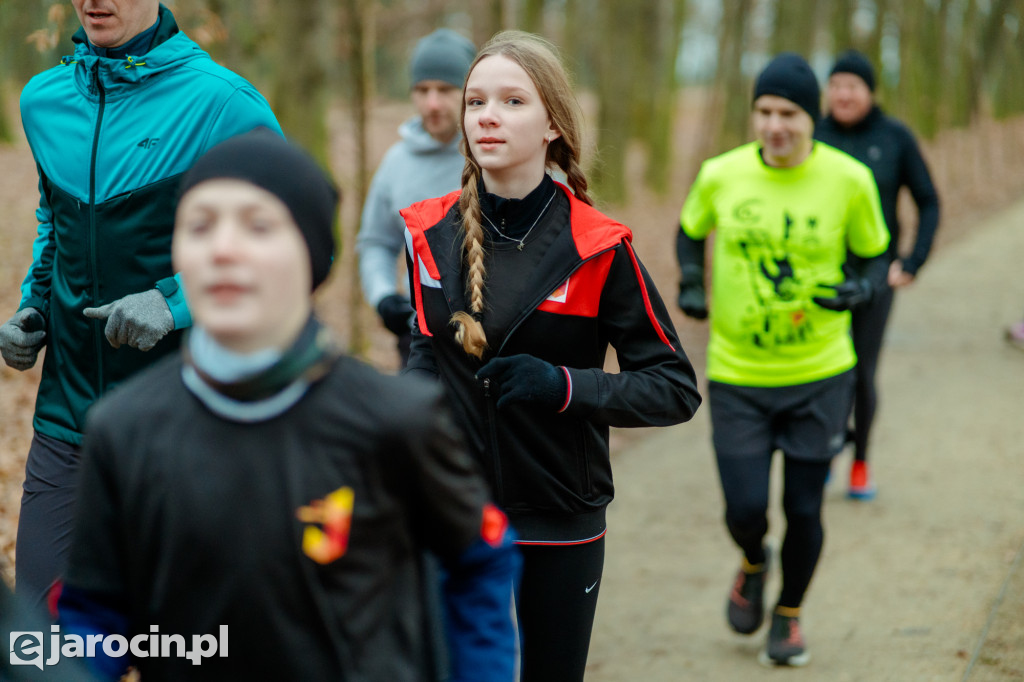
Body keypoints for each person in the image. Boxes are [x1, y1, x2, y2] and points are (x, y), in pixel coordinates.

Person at [57, 130, 520, 682]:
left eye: (258, 225)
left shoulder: (398, 418)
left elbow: (479, 561)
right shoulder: (122, 430)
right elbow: (95, 613)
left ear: (310, 254)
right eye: (200, 225)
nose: (223, 248)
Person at [401, 30, 702, 682]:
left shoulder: (598, 247)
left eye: (512, 101)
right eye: (476, 100)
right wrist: (407, 409)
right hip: (453, 505)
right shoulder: (428, 233)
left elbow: (673, 387)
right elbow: (426, 344)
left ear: (553, 127)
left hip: (559, 517)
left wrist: (563, 386)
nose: (487, 114)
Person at [0, 0, 281, 610]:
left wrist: (173, 303)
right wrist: (35, 309)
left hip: (191, 427)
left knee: (192, 653)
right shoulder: (43, 101)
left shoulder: (222, 104)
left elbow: (291, 246)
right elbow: (56, 225)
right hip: (68, 429)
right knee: (42, 655)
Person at [675, 53, 889, 666]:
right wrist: (692, 278)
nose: (774, 125)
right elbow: (690, 230)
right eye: (764, 112)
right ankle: (752, 559)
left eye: (788, 113)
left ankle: (789, 613)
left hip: (821, 375)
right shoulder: (722, 173)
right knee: (744, 507)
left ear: (812, 117)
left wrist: (865, 288)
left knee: (802, 507)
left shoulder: (849, 180)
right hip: (738, 376)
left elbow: (875, 253)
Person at [815, 49, 941, 499]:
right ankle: (826, 448)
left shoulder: (895, 138)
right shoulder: (813, 133)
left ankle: (861, 461)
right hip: (821, 272)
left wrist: (911, 262)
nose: (843, 95)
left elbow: (928, 200)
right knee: (826, 370)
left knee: (861, 371)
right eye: (836, 85)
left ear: (870, 92)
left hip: (876, 276)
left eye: (852, 86)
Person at [356, 28, 475, 366]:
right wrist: (383, 298)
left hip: (496, 335)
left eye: (445, 89)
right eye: (422, 90)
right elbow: (375, 241)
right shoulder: (396, 162)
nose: (432, 103)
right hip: (418, 339)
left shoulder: (495, 155)